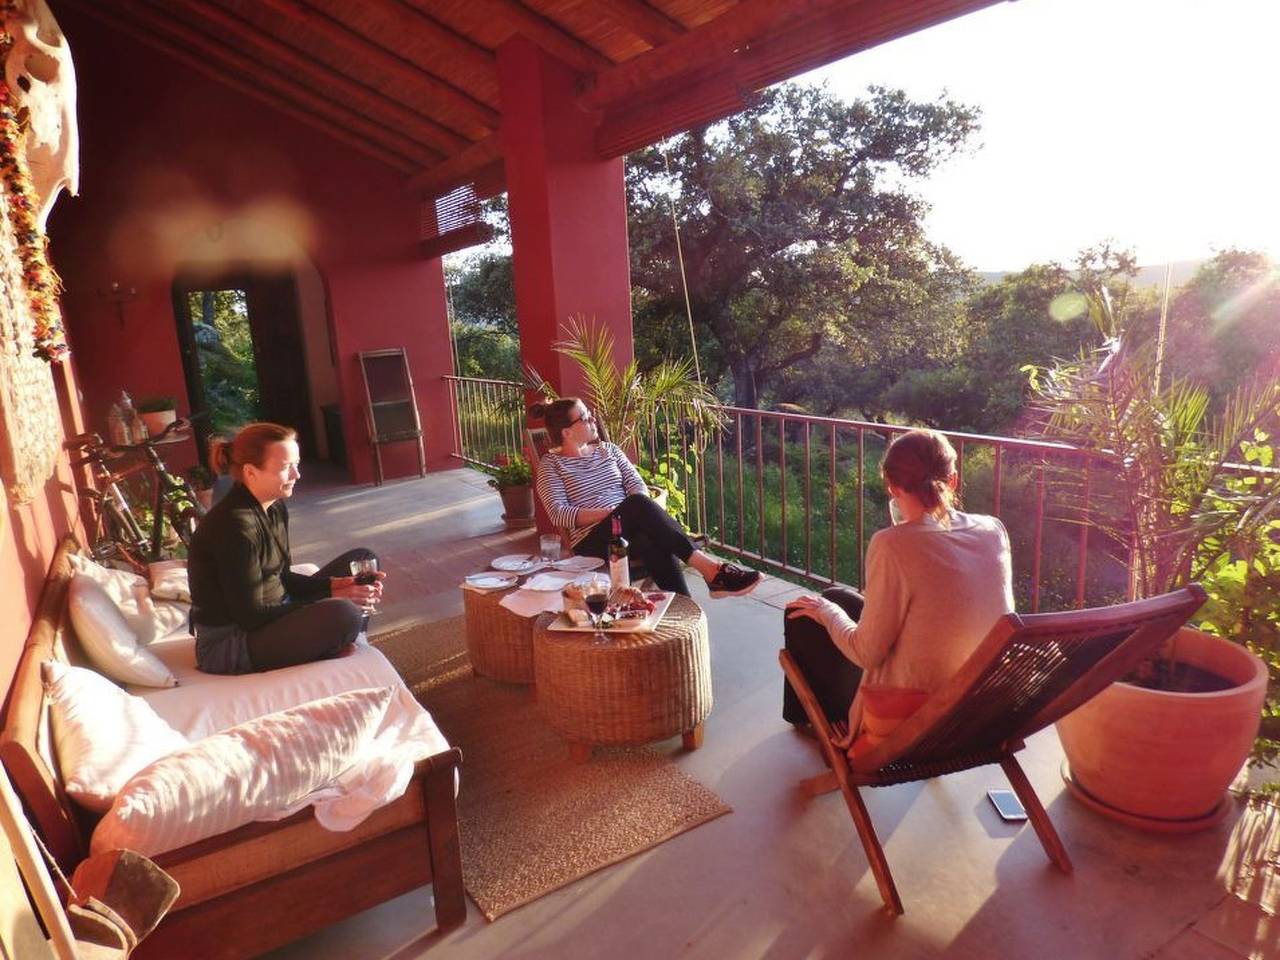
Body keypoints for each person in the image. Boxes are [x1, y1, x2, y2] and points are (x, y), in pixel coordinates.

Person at [782, 429, 1014, 755]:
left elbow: (868, 654)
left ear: (892, 486)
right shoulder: (993, 530)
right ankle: (807, 715)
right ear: (954, 480)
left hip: (913, 716)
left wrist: (826, 613)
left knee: (807, 615)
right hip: (979, 703)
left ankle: (816, 721)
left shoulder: (892, 544)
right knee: (838, 596)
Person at [188, 422, 384, 674]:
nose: (297, 475)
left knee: (364, 558)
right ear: (250, 472)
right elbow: (252, 616)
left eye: (297, 464)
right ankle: (338, 639)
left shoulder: (274, 507)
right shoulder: (234, 527)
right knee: (344, 613)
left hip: (271, 614)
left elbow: (281, 577)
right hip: (231, 643)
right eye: (285, 467)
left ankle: (339, 639)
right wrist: (333, 597)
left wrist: (336, 585)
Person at [532, 397, 761, 598]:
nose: (593, 420)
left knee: (650, 539)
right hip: (593, 541)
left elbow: (637, 486)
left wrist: (623, 514)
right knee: (636, 505)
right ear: (566, 432)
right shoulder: (551, 465)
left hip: (628, 531)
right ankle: (711, 570)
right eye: (585, 417)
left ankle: (686, 610)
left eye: (591, 415)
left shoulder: (609, 450)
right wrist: (613, 514)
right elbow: (559, 514)